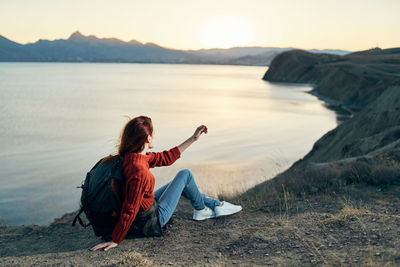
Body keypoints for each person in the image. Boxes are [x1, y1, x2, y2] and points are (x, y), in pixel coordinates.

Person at [90, 115, 242, 251]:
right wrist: (116, 239)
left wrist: (193, 138)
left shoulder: (131, 158)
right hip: (151, 221)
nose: (155, 136)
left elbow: (166, 157)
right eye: (153, 133)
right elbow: (130, 208)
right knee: (185, 174)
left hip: (146, 209)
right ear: (148, 138)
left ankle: (215, 205)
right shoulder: (139, 171)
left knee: (179, 182)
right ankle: (202, 209)